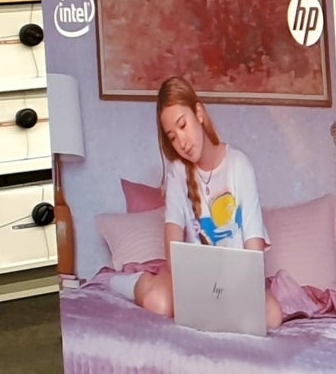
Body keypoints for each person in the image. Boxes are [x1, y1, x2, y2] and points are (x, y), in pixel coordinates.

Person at [114, 78, 282, 330]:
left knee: (272, 316)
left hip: (238, 283)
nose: (181, 141)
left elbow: (254, 246)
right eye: (172, 137)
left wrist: (237, 291)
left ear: (199, 114)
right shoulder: (177, 173)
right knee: (159, 303)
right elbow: (172, 241)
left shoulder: (239, 165)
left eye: (183, 125)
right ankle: (134, 281)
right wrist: (190, 292)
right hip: (192, 284)